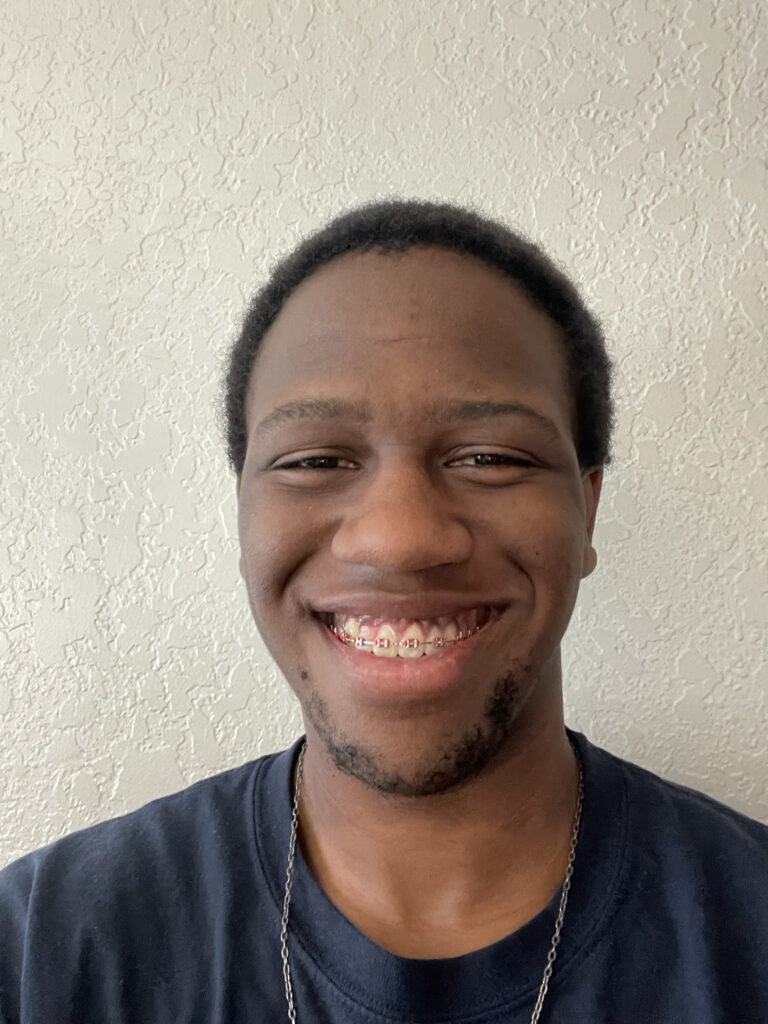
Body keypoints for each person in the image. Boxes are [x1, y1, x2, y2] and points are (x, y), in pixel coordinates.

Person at [1, 200, 766, 1024]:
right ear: (243, 512)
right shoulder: (41, 948)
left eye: (490, 458)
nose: (398, 539)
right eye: (316, 460)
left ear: (586, 512)